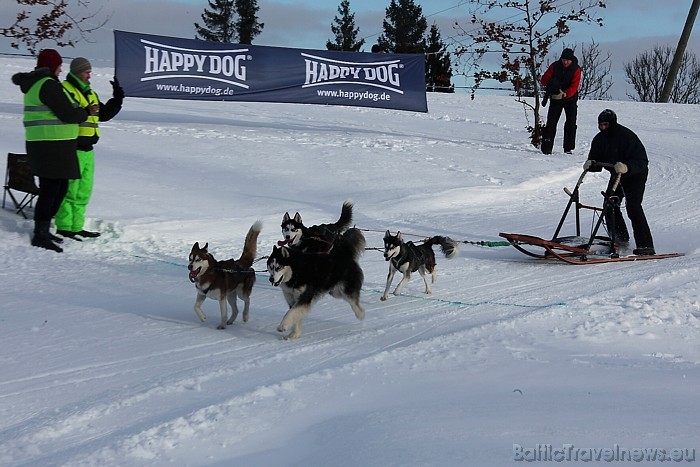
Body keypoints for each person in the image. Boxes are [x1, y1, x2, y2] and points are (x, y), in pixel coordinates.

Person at [11, 49, 96, 252]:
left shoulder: (40, 84)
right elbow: (67, 113)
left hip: (50, 144)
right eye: (58, 65)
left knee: (57, 187)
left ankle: (44, 229)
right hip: (50, 145)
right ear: (51, 66)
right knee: (51, 190)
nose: (60, 69)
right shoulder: (47, 84)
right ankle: (40, 233)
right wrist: (85, 112)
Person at [55, 57, 124, 240]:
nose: (89, 74)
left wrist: (117, 98)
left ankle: (76, 226)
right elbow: (66, 115)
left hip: (88, 150)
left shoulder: (90, 93)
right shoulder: (66, 90)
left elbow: (104, 115)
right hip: (72, 147)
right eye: (86, 71)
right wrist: (87, 111)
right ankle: (64, 227)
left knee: (84, 191)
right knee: (70, 190)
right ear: (78, 72)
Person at [583, 109, 656, 256]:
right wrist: (591, 164)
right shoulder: (599, 139)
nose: (602, 128)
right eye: (600, 125)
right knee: (609, 204)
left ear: (612, 124)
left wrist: (627, 167)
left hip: (635, 175)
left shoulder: (626, 136)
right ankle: (619, 239)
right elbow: (597, 161)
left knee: (633, 206)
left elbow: (642, 161)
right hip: (617, 175)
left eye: (605, 124)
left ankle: (646, 245)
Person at [540, 48, 581, 155]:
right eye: (564, 60)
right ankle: (546, 148)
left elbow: (574, 86)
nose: (565, 62)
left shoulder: (576, 69)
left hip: (570, 99)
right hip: (555, 99)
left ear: (572, 60)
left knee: (571, 123)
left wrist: (564, 94)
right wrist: (552, 84)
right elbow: (544, 80)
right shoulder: (554, 66)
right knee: (551, 123)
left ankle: (568, 148)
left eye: (568, 60)